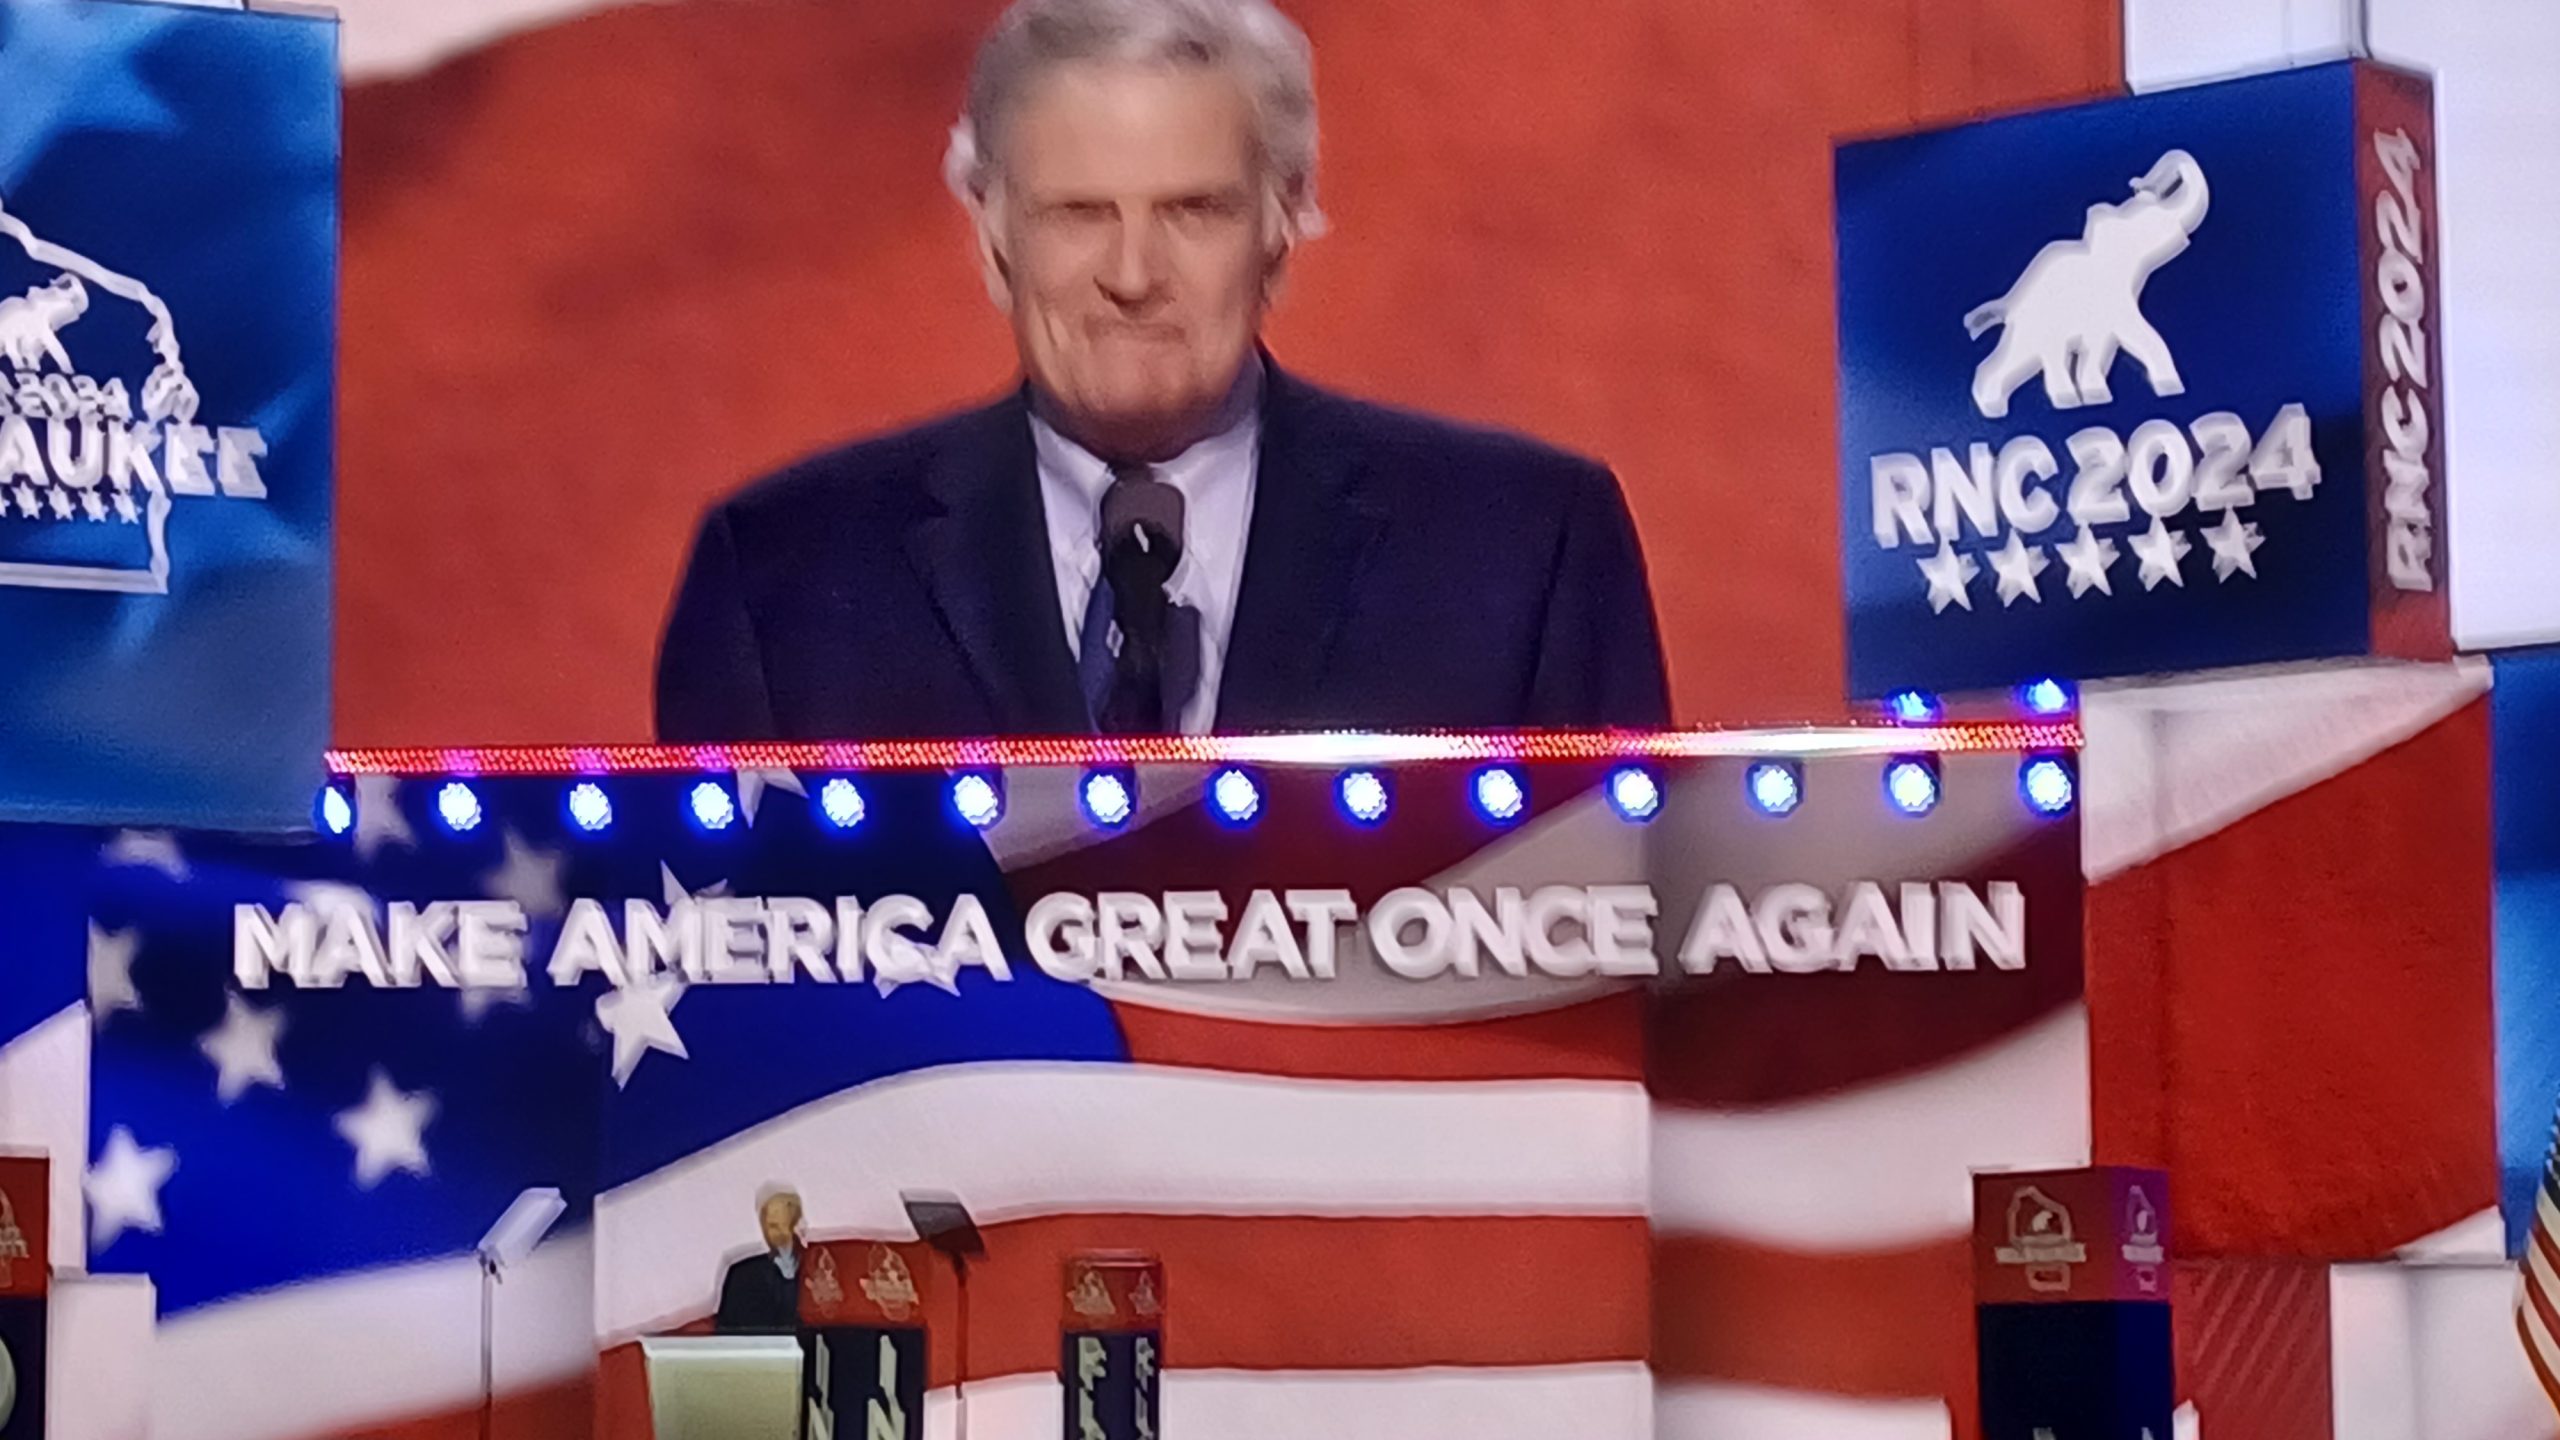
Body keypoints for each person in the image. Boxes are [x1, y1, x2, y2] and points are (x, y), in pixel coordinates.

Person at [655, 0, 1670, 742]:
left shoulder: (1522, 553)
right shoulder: (784, 580)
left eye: (1193, 211)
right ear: (991, 234)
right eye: (1078, 215)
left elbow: (1623, 942)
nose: (1133, 277)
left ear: (1283, 222)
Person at [713, 1187, 805, 1334]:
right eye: (770, 1225)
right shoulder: (742, 1274)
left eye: (779, 1225)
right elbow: (728, 1334)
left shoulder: (816, 1269)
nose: (773, 1233)